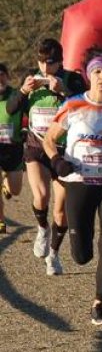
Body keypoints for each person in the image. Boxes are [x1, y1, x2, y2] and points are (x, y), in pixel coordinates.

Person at [42, 46, 102, 325]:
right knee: (82, 255)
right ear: (88, 75)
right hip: (80, 182)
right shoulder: (73, 105)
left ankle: (99, 304)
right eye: (97, 71)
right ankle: (76, 247)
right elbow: (49, 140)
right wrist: (57, 160)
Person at [9, 38, 86, 275]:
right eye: (41, 62)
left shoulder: (72, 79)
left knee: (61, 210)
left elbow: (86, 106)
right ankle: (42, 229)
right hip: (36, 147)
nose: (44, 68)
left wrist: (64, 91)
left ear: (60, 62)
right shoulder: (31, 78)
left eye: (49, 63)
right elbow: (11, 109)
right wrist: (23, 91)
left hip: (65, 152)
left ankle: (53, 255)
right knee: (41, 196)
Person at [0, 64, 24, 232]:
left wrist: (25, 131)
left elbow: (28, 117)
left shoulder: (16, 95)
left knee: (15, 191)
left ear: (7, 76)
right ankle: (1, 220)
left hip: (13, 149)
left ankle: (6, 186)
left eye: (2, 74)